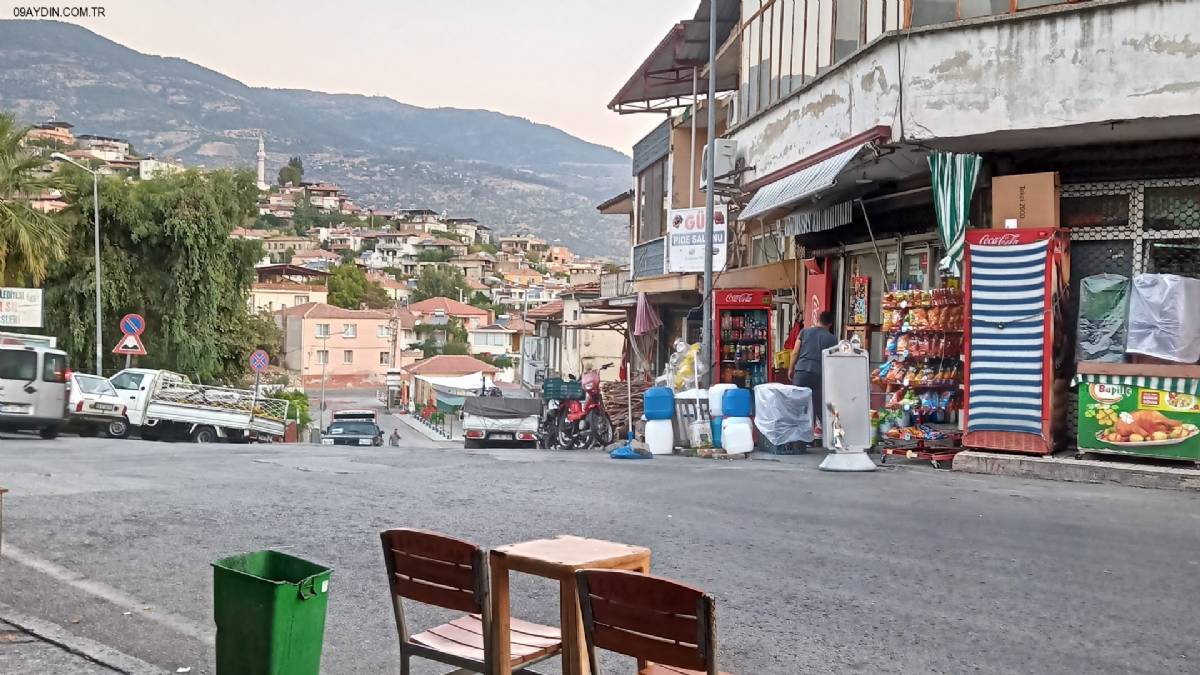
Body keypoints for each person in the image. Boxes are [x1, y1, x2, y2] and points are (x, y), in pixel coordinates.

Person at [789, 310, 838, 436]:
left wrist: (791, 368)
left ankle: (799, 437)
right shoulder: (832, 339)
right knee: (818, 404)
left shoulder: (805, 332)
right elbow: (833, 360)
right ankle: (830, 435)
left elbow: (795, 352)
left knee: (799, 405)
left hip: (801, 371)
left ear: (818, 320)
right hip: (818, 374)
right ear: (830, 324)